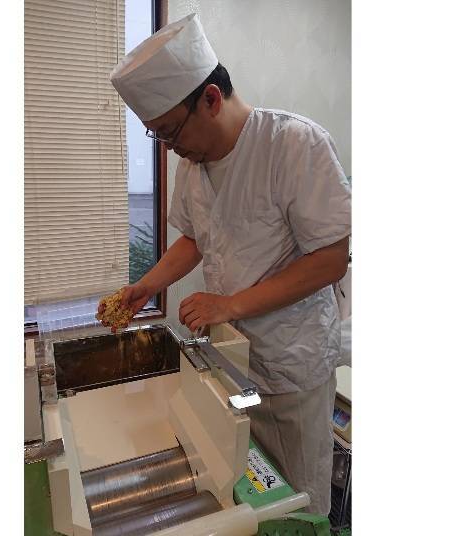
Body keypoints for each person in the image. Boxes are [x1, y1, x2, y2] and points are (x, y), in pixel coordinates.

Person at [99, 13, 351, 515]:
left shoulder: (294, 145)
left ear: (210, 99)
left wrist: (228, 304)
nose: (170, 149)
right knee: (248, 486)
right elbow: (195, 237)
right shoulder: (195, 166)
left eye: (170, 132)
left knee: (297, 505)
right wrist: (144, 287)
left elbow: (331, 260)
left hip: (293, 363)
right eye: (158, 138)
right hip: (234, 360)